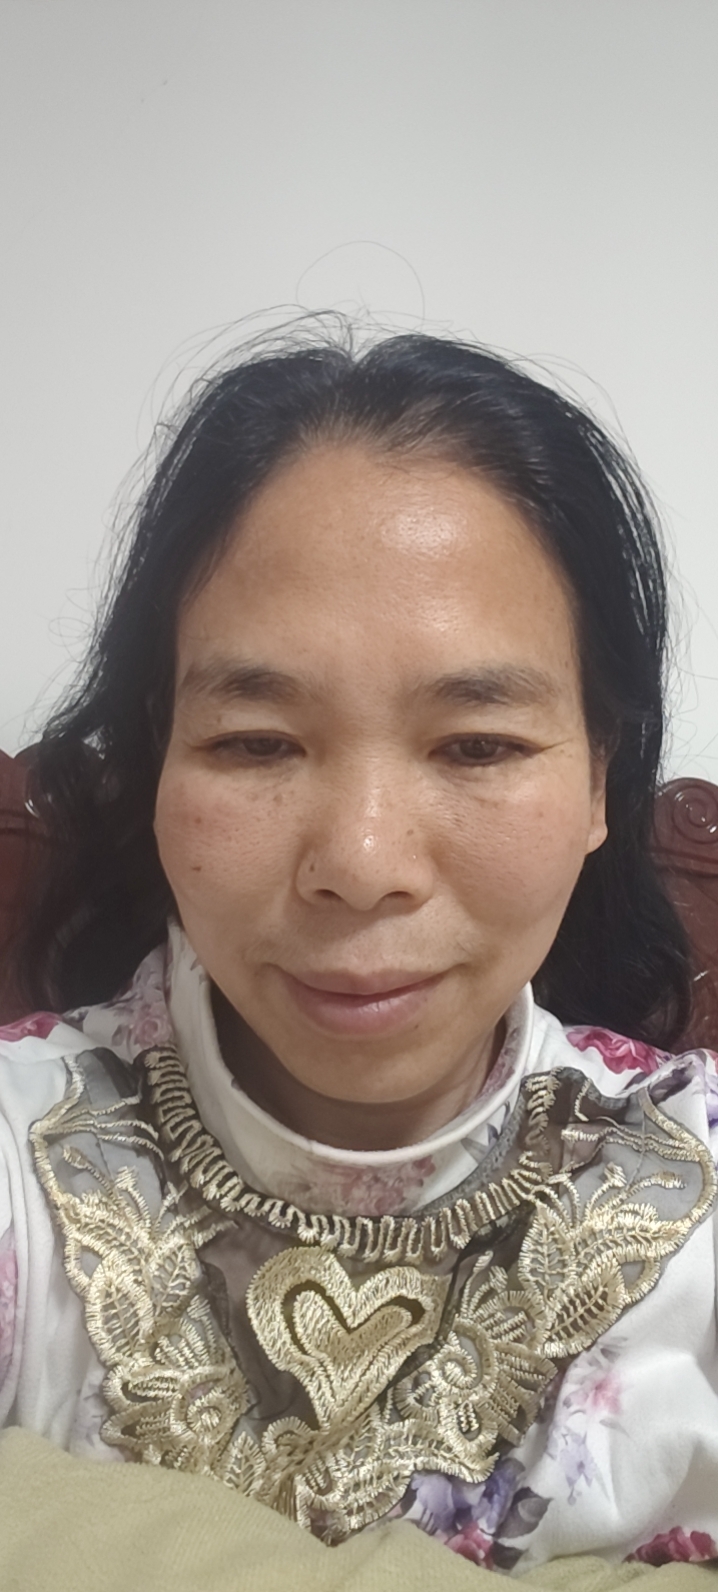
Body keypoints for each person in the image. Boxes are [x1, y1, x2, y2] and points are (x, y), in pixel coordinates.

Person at [1, 323, 716, 1577]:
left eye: (477, 744)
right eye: (257, 741)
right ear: (159, 759)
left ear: (599, 778)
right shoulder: (24, 1155)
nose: (363, 858)